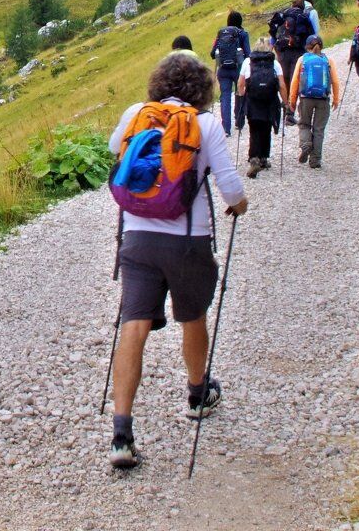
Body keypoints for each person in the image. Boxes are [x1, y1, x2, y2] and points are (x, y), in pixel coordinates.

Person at [107, 54, 248, 469]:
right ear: (202, 89)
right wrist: (239, 205)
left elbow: (116, 150)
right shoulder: (205, 124)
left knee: (133, 324)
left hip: (136, 236)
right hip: (188, 240)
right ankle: (196, 393)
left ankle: (121, 433)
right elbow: (229, 184)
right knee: (193, 317)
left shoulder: (137, 113)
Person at [289, 34, 341, 169]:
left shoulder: (302, 59)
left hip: (306, 98)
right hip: (323, 99)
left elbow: (295, 81)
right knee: (319, 130)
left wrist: (292, 100)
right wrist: (336, 99)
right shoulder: (328, 60)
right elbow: (335, 81)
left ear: (307, 46)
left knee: (304, 124)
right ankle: (315, 160)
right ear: (322, 46)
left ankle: (306, 144)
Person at [237, 37, 286, 178]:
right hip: (270, 101)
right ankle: (264, 158)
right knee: (266, 127)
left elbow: (241, 83)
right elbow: (282, 85)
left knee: (254, 128)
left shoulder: (248, 61)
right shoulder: (275, 63)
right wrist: (286, 102)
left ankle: (254, 158)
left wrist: (242, 96)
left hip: (253, 100)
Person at [270, 0, 315, 121]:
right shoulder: (303, 17)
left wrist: (275, 48)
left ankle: (286, 107)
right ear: (302, 7)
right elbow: (311, 36)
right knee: (296, 81)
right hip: (297, 52)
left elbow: (274, 35)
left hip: (282, 52)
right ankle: (292, 111)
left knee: (285, 81)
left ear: (292, 5)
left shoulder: (283, 16)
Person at [210, 12, 250, 136]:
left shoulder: (221, 33)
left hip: (223, 69)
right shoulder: (242, 34)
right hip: (238, 68)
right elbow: (248, 53)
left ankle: (226, 128)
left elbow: (212, 53)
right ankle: (239, 121)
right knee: (240, 92)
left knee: (225, 97)